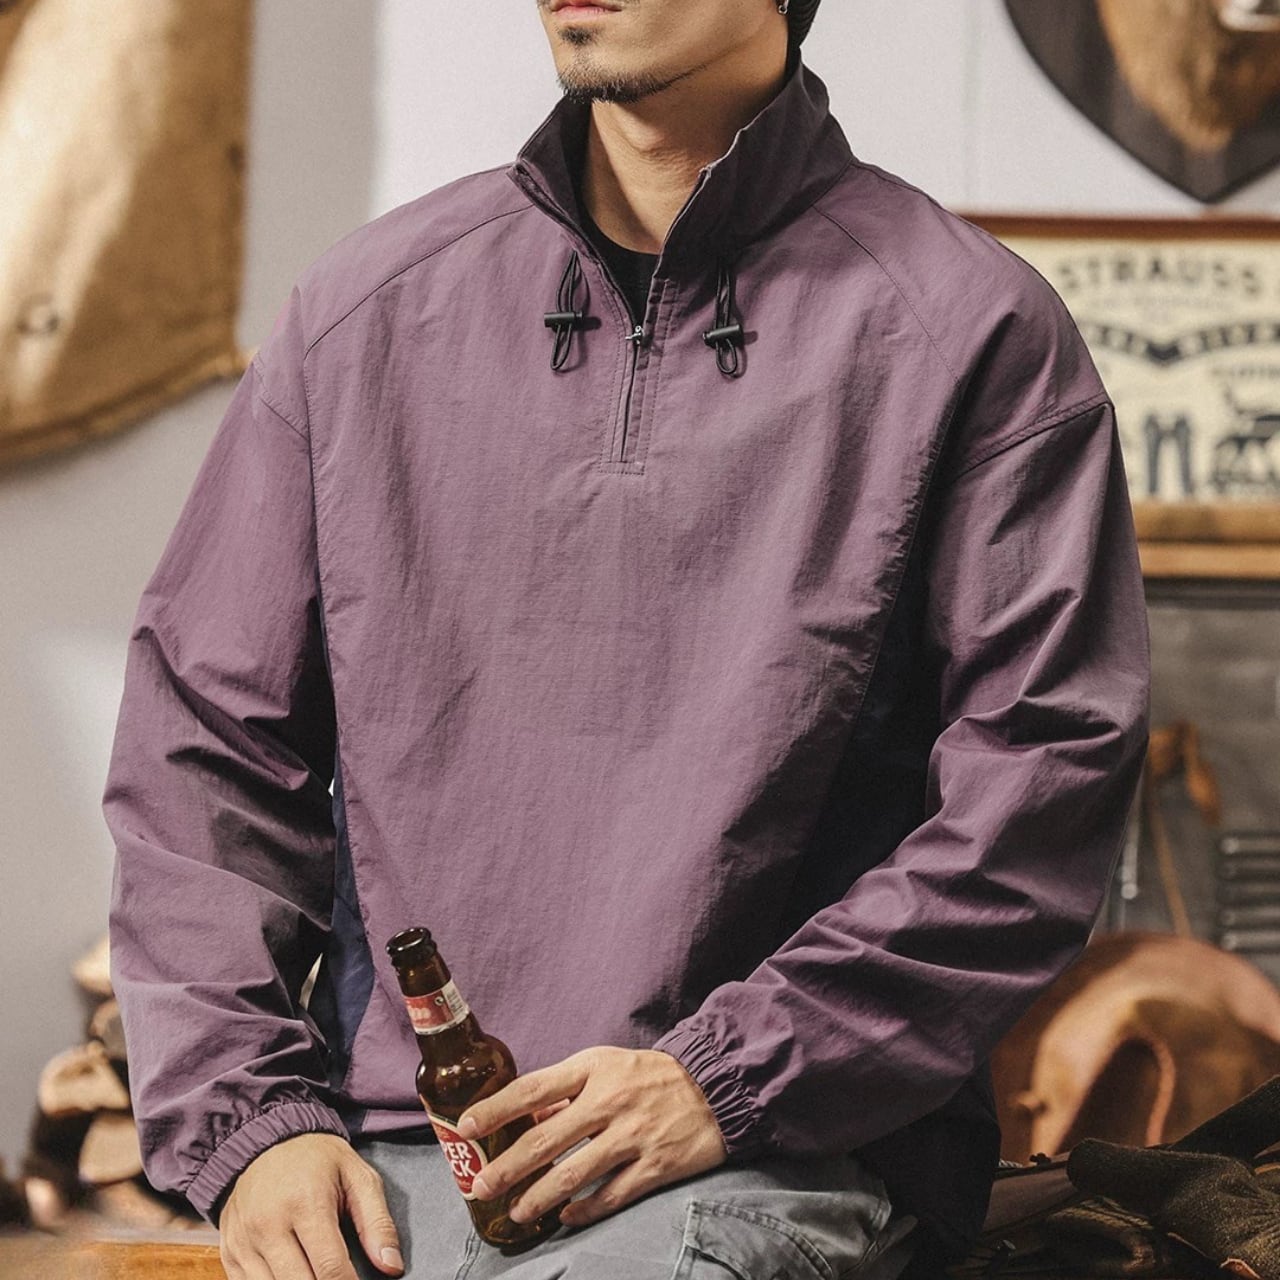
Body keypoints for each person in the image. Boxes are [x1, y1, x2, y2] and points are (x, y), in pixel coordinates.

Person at [101, 1, 1152, 1278]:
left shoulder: (970, 329)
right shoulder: (362, 311)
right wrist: (254, 1121)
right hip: (388, 1153)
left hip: (770, 1146)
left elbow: (1038, 785)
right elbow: (203, 746)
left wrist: (728, 1072)